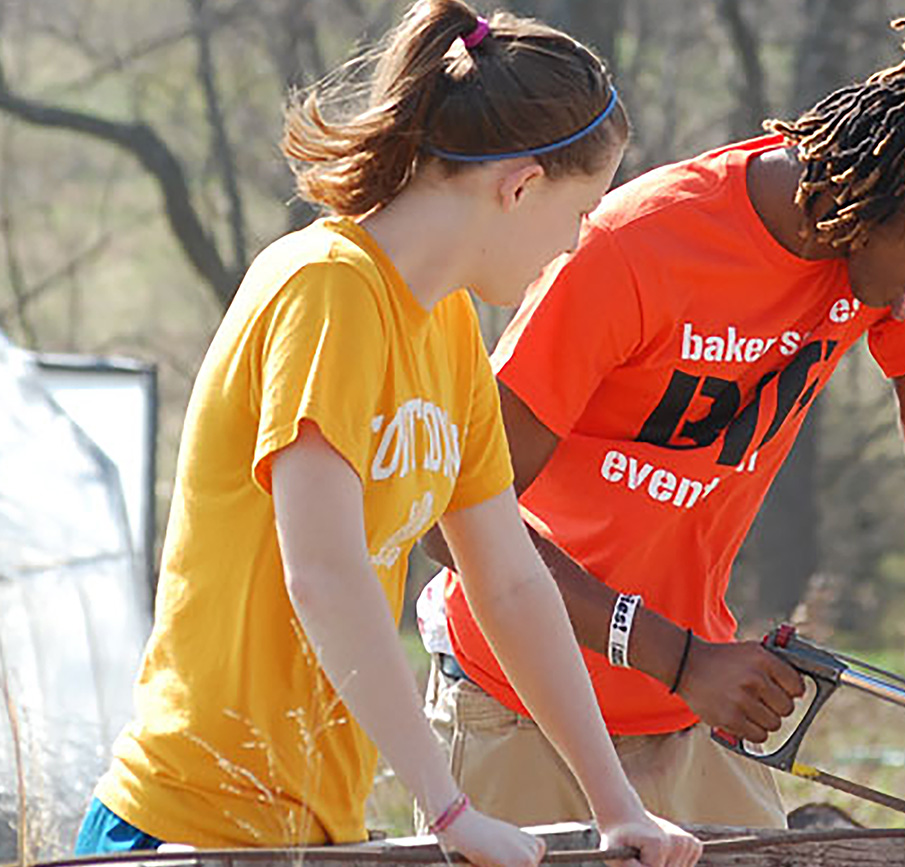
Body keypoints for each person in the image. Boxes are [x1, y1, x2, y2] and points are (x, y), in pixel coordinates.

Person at [419, 0, 905, 845]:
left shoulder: (900, 270)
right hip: (519, 704)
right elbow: (456, 519)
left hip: (691, 714)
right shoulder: (635, 245)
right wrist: (676, 657)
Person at [75, 4, 703, 867]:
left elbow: (512, 581)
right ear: (518, 186)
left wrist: (616, 804)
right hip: (185, 830)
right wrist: (450, 813)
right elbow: (324, 573)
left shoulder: (446, 330)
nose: (572, 247)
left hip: (314, 832)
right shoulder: (325, 290)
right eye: (581, 210)